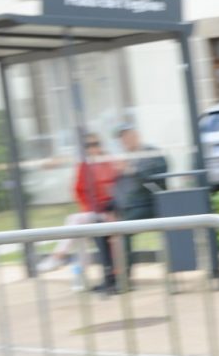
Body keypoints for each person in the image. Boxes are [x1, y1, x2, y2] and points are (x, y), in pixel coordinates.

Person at [39, 134, 118, 289]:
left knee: (75, 221)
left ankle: (58, 257)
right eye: (88, 146)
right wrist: (90, 208)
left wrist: (104, 207)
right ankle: (80, 277)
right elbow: (79, 190)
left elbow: (113, 190)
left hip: (110, 211)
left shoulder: (107, 162)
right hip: (93, 213)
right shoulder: (85, 165)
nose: (92, 148)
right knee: (80, 234)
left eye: (95, 144)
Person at [100, 123, 168, 292]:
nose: (125, 140)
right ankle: (110, 277)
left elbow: (156, 178)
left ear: (136, 135)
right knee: (99, 229)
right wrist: (110, 209)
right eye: (122, 138)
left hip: (148, 205)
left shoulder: (151, 153)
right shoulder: (126, 158)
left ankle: (123, 282)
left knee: (121, 231)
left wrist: (132, 169)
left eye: (127, 136)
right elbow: (120, 189)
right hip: (126, 208)